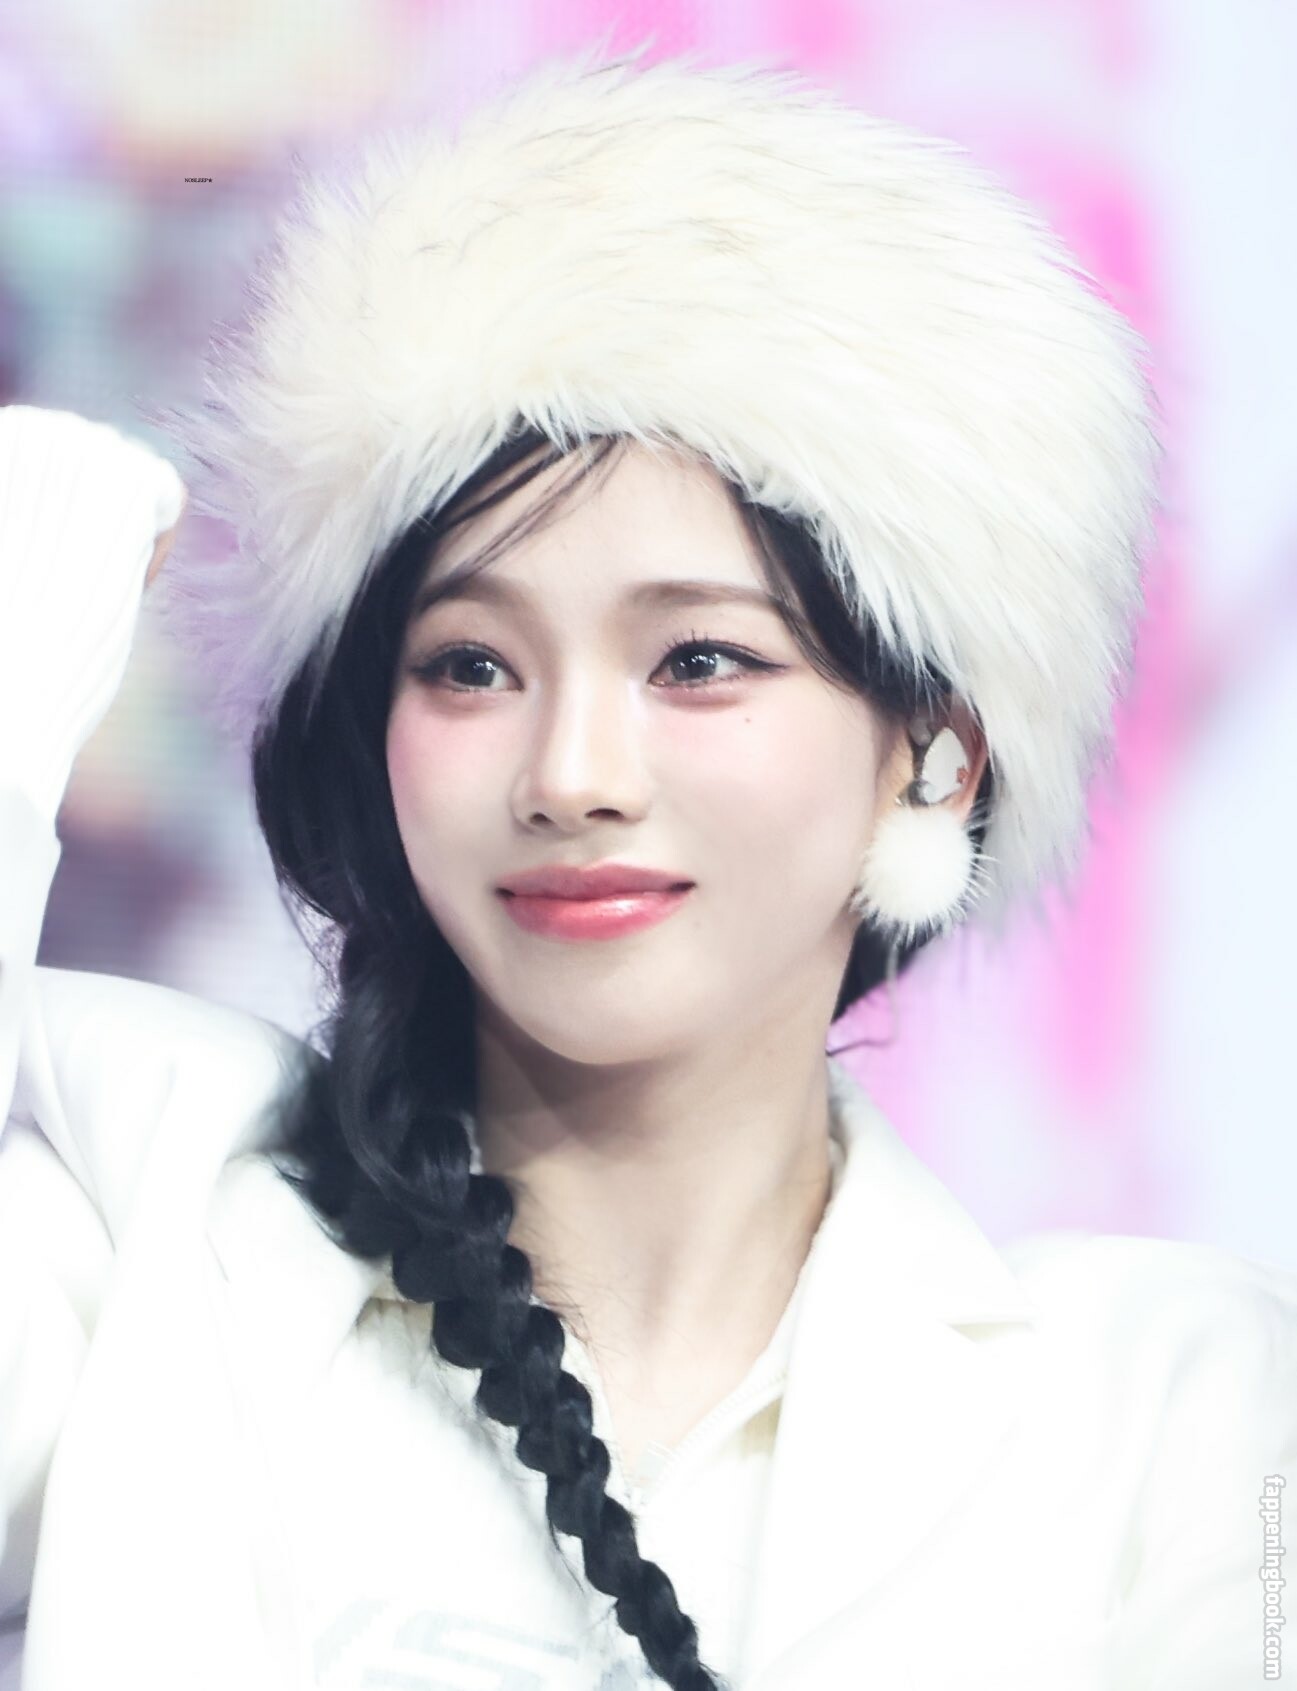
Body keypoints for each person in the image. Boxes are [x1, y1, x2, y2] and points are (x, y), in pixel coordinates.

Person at [1, 43, 1294, 1691]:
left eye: (697, 661)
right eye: (470, 666)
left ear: (937, 755)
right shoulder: (139, 1235)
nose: (570, 776)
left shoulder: (1173, 1406)